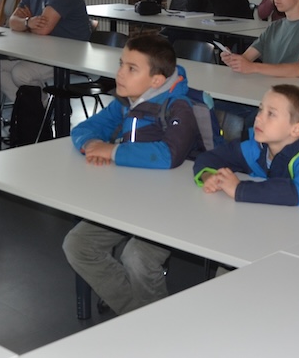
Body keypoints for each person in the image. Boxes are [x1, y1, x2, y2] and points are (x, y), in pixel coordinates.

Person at [62, 34, 202, 315]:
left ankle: (154, 326)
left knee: (137, 257)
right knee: (78, 245)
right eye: (121, 64)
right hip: (132, 199)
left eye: (131, 68)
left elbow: (168, 155)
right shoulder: (127, 102)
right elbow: (83, 129)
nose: (120, 74)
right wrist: (91, 144)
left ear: (156, 80)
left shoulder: (179, 107)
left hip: (175, 208)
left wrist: (112, 152)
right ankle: (137, 314)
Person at [193, 84, 299, 205]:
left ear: (296, 129)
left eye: (271, 114)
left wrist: (239, 189)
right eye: (260, 109)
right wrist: (209, 175)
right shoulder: (254, 145)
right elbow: (210, 157)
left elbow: (296, 193)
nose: (258, 118)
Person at [1, 0, 92, 103]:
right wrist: (28, 23)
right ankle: (31, 109)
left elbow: (43, 29)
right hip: (42, 51)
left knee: (20, 73)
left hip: (68, 53)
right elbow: (13, 21)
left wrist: (26, 23)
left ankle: (38, 108)